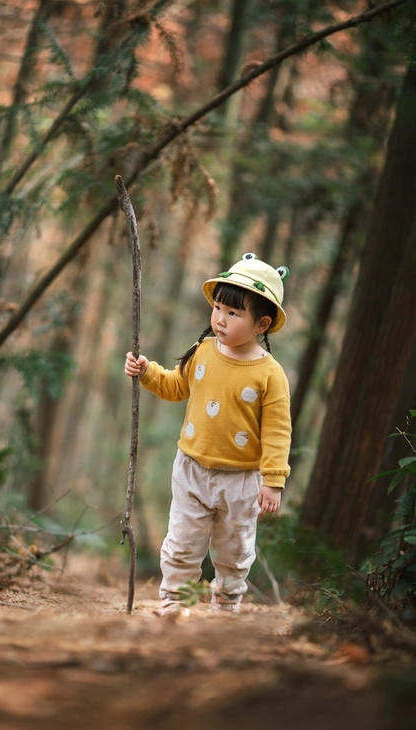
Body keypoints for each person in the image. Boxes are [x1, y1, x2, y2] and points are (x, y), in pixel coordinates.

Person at [124, 252, 291, 615]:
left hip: (242, 479)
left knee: (234, 551)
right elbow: (175, 385)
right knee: (183, 542)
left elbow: (278, 430)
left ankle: (226, 604)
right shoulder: (202, 352)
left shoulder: (270, 375)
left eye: (234, 313)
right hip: (192, 468)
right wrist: (146, 371)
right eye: (217, 308)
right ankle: (174, 602)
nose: (220, 318)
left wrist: (273, 480)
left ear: (261, 324)